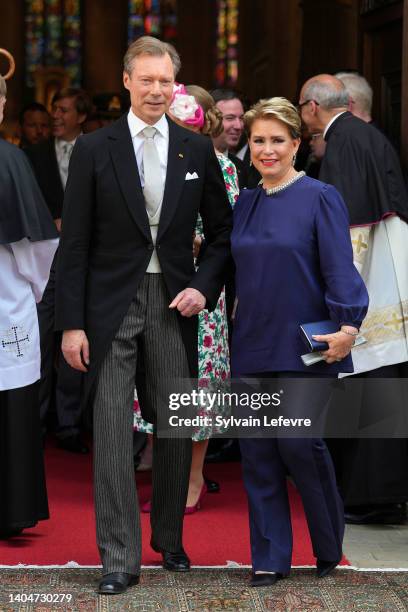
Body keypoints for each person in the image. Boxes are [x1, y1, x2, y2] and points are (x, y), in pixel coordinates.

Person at [55, 36, 232, 595]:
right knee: (110, 428)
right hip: (109, 309)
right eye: (147, 79)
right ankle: (118, 558)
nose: (157, 90)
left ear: (174, 86)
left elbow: (225, 235)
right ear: (126, 82)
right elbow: (75, 243)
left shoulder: (195, 150)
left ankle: (170, 539)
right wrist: (71, 323)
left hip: (175, 305)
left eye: (166, 81)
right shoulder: (93, 148)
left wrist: (204, 288)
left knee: (175, 425)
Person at [231, 97, 368, 587]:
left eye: (276, 141)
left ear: (296, 145)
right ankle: (269, 557)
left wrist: (349, 326)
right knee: (259, 453)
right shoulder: (243, 203)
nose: (267, 150)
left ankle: (328, 545)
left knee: (297, 442)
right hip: (250, 341)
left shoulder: (320, 196)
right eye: (258, 141)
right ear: (249, 147)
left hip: (306, 345)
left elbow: (339, 267)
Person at [299, 74, 408, 525]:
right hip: (389, 276)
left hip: (368, 284)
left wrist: (342, 300)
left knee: (369, 384)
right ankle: (380, 491)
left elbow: (348, 228)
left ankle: (368, 496)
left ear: (310, 107)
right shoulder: (366, 134)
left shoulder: (341, 140)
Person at [136, 83, 239, 513]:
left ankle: (193, 477)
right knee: (161, 381)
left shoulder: (220, 165)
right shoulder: (147, 156)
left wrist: (195, 244)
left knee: (197, 389)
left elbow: (226, 228)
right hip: (159, 285)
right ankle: (166, 471)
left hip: (201, 290)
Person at [0, 76, 59, 538]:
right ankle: (10, 510)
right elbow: (36, 247)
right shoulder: (11, 159)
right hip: (7, 304)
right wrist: (36, 290)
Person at [25, 88, 92, 454]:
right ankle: (34, 422)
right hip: (41, 261)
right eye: (55, 110)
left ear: (81, 116)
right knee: (37, 342)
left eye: (64, 110)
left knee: (75, 343)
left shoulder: (99, 149)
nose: (56, 116)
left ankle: (68, 424)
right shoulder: (31, 155)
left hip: (83, 264)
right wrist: (47, 223)